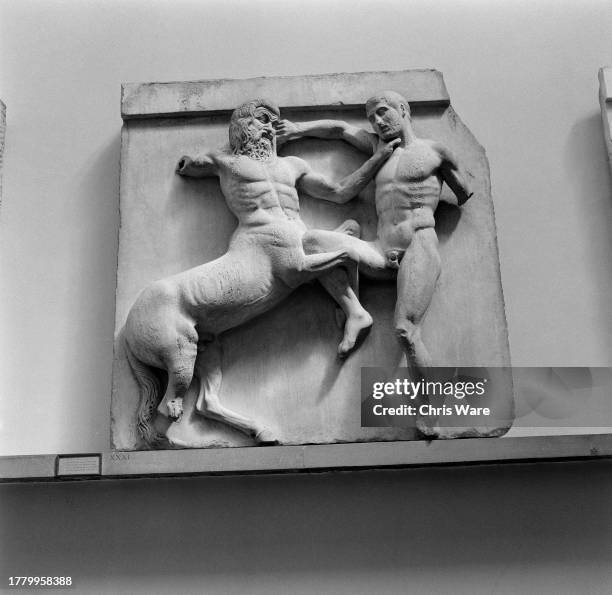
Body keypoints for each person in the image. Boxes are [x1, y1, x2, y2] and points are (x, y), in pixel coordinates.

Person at [125, 98, 399, 446]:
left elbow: (340, 191)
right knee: (326, 249)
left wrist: (378, 158)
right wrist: (208, 155)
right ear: (243, 127)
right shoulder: (226, 161)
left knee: (323, 240)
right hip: (256, 241)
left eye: (274, 122)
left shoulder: (293, 166)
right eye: (262, 121)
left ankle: (356, 310)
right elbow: (189, 163)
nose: (270, 128)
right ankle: (162, 427)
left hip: (291, 236)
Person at [276, 90, 473, 375]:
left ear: (403, 109)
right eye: (372, 117)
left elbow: (464, 192)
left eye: (383, 112)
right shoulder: (377, 148)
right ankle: (356, 313)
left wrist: (423, 206)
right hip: (380, 249)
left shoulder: (434, 152)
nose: (378, 121)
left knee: (405, 331)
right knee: (312, 242)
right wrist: (298, 130)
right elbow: (340, 130)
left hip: (417, 246)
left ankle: (430, 408)